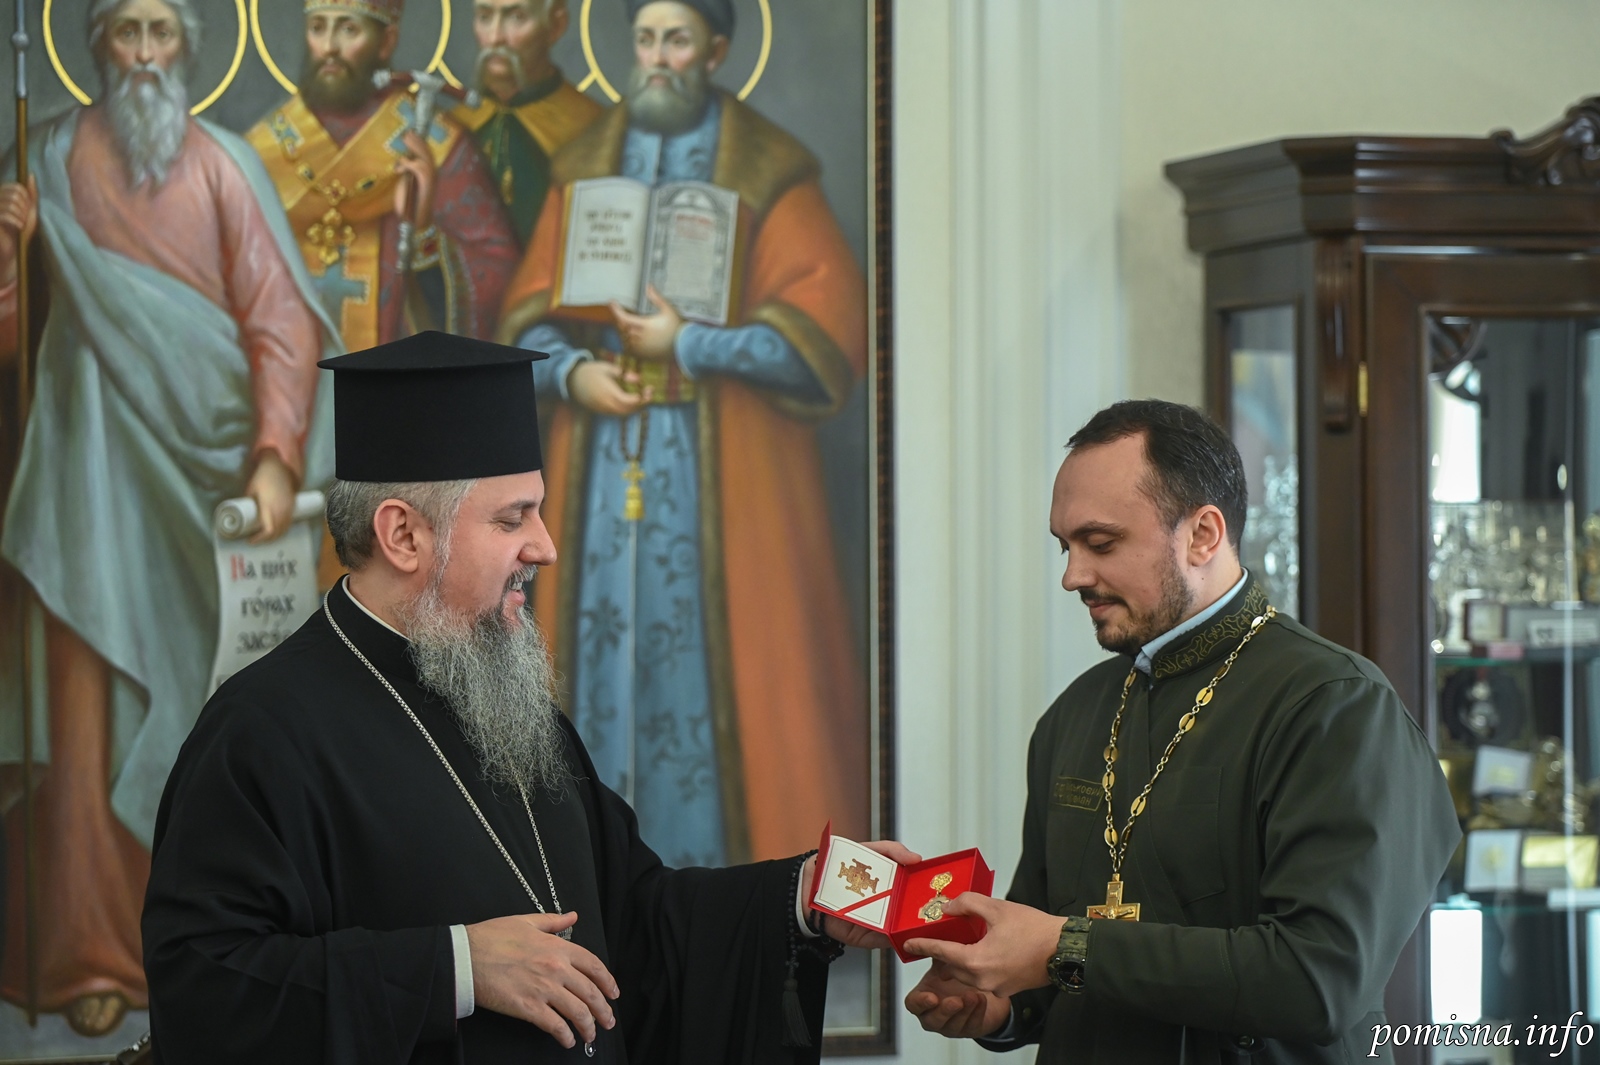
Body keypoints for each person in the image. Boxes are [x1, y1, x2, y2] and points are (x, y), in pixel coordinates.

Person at [141, 331, 908, 1063]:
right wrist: (457, 967)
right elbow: (208, 992)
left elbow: (634, 920)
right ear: (403, 535)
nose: (544, 545)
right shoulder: (262, 733)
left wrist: (802, 896)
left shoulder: (503, 700)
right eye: (513, 518)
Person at [902, 400, 1460, 1063]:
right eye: (1064, 546)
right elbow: (1054, 964)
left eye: (1100, 543)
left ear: (1202, 534)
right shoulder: (1074, 714)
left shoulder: (1335, 706)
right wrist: (1000, 1005)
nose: (1073, 576)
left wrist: (1064, 946)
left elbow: (1319, 982)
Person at [0, 0, 337, 1036]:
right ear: (96, 47)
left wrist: (275, 456)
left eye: (161, 34)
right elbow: (12, 343)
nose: (144, 55)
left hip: (210, 489)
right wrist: (10, 253)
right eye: (126, 33)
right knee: (89, 704)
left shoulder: (225, 164)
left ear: (188, 48)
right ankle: (89, 950)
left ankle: (220, 939)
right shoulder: (41, 159)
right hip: (84, 475)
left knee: (205, 710)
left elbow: (281, 320)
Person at [497, 0, 869, 870]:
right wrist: (573, 374)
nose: (657, 58)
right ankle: (598, 882)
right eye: (646, 39)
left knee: (726, 677)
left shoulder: (768, 168)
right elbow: (524, 320)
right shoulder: (587, 165)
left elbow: (823, 342)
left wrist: (691, 344)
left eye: (677, 39)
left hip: (725, 483)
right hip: (599, 477)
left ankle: (719, 895)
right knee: (591, 675)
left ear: (717, 50)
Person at [246, 0, 519, 352]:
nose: (329, 46)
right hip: (286, 365)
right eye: (318, 28)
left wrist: (423, 235)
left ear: (386, 41)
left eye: (348, 29)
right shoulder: (263, 148)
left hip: (395, 372)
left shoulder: (437, 144)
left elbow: (497, 272)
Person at [452, 0, 603, 246]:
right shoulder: (453, 127)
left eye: (517, 17)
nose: (495, 38)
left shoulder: (594, 131)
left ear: (556, 25)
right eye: (485, 17)